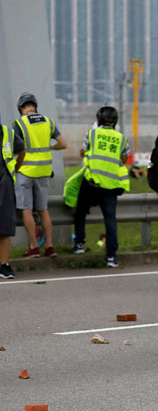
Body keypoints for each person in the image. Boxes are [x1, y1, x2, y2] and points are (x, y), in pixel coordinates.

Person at [72, 106, 130, 268]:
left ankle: (79, 245)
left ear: (98, 119)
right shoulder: (121, 138)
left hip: (91, 183)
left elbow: (83, 152)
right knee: (110, 221)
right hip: (111, 186)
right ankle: (111, 257)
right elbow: (124, 159)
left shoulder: (91, 134)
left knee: (80, 213)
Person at [11, 93, 67, 258]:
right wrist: (51, 148)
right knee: (43, 210)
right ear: (35, 106)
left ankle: (33, 248)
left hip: (26, 172)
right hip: (44, 172)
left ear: (21, 108)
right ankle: (50, 247)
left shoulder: (19, 124)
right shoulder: (48, 122)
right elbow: (63, 144)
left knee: (27, 210)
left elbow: (14, 149)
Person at [0, 109, 23, 279]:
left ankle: (4, 265)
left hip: (5, 183)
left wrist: (15, 168)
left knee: (5, 225)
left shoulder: (8, 132)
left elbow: (21, 150)